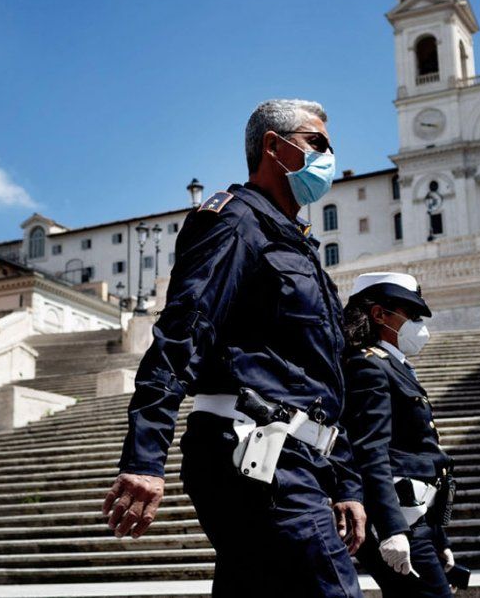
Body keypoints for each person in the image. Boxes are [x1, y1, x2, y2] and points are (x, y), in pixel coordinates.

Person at [102, 99, 366, 598]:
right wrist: (143, 458)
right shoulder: (233, 222)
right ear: (274, 146)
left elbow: (323, 379)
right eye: (318, 143)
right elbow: (183, 333)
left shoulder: (299, 246)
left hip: (297, 459)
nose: (328, 157)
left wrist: (347, 482)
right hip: (254, 453)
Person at [341, 272, 457, 598]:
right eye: (412, 315)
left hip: (418, 520)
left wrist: (438, 539)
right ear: (379, 315)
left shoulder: (396, 367)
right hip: (397, 522)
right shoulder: (368, 367)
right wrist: (392, 529)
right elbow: (371, 451)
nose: (420, 326)